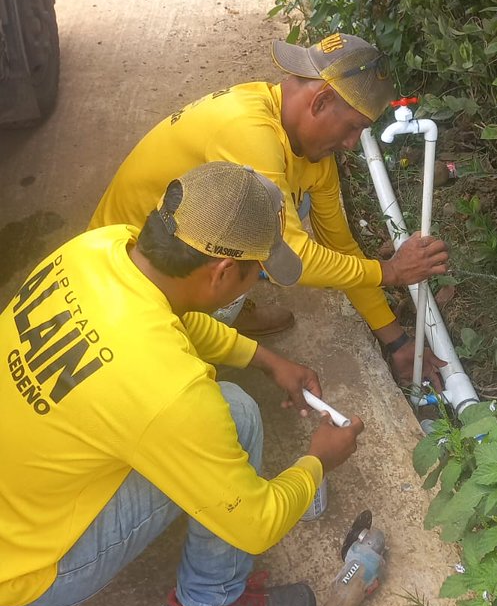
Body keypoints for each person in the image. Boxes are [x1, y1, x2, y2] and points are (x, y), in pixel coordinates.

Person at [0, 162, 363, 606]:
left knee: (216, 412)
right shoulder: (172, 391)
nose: (258, 282)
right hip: (27, 570)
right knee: (234, 419)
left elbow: (176, 319)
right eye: (257, 271)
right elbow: (255, 524)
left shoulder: (98, 249)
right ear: (221, 272)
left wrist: (266, 359)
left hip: (17, 493)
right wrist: (318, 461)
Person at [90, 32, 449, 388]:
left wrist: (397, 341)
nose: (352, 143)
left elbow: (339, 247)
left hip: (177, 247)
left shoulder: (307, 150)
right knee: (270, 228)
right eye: (353, 127)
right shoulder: (247, 130)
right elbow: (292, 256)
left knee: (289, 203)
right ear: (321, 101)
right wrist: (389, 272)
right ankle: (192, 331)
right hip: (129, 272)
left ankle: (220, 309)